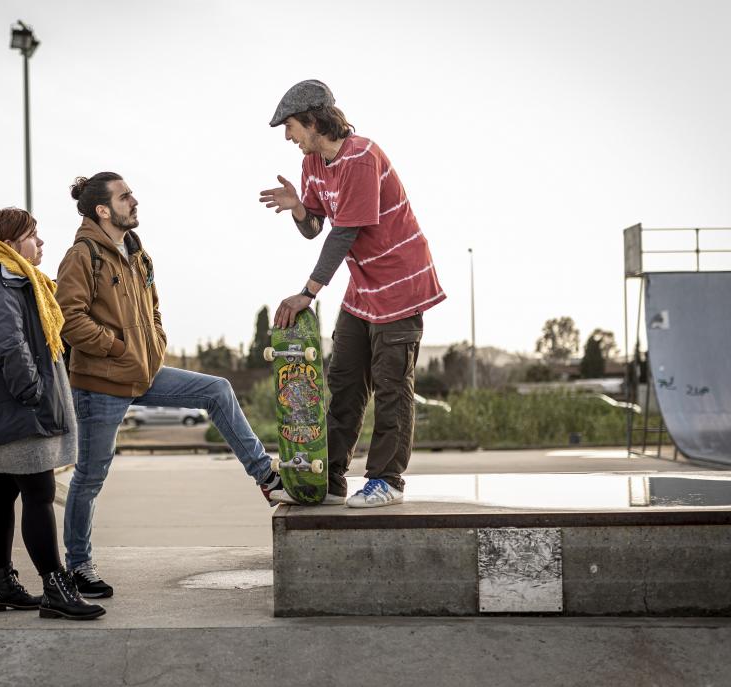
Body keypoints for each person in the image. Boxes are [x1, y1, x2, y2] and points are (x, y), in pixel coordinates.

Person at [56, 173, 280, 597]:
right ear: (103, 209)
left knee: (216, 389)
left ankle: (266, 476)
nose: (134, 201)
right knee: (90, 476)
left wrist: (155, 344)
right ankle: (79, 566)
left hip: (143, 371)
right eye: (125, 197)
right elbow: (70, 318)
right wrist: (118, 347)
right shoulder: (82, 256)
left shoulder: (138, 254)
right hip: (101, 381)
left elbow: (154, 309)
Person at [259, 80, 445, 508]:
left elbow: (345, 233)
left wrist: (307, 293)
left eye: (290, 127)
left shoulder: (362, 156)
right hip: (363, 288)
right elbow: (315, 229)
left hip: (400, 284)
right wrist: (299, 208)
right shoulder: (313, 165)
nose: (288, 137)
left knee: (391, 384)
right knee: (343, 381)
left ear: (312, 119)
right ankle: (330, 479)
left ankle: (388, 481)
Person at [0, 207, 105, 621]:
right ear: (11, 243)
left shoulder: (1, 281)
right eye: (34, 235)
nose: (41, 243)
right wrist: (33, 393)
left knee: (2, 491)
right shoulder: (0, 284)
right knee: (38, 493)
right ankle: (55, 588)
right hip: (15, 412)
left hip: (0, 411)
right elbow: (9, 345)